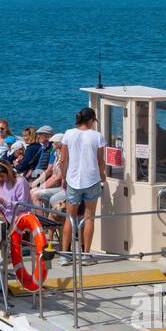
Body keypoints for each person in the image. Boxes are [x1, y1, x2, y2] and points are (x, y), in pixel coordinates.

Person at [59, 108, 107, 253]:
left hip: (73, 180)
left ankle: (65, 253)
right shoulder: (97, 136)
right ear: (91, 120)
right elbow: (100, 161)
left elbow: (63, 160)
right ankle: (86, 254)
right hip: (92, 180)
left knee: (70, 218)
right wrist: (102, 175)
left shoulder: (68, 134)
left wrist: (64, 177)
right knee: (89, 218)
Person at [30, 133, 66, 208]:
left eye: (53, 142)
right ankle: (40, 214)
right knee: (33, 191)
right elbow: (53, 175)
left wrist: (42, 187)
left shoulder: (64, 157)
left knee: (35, 194)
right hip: (56, 184)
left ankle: (42, 217)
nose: (51, 144)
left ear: (59, 144)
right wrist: (40, 186)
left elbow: (57, 178)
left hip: (61, 186)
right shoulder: (56, 155)